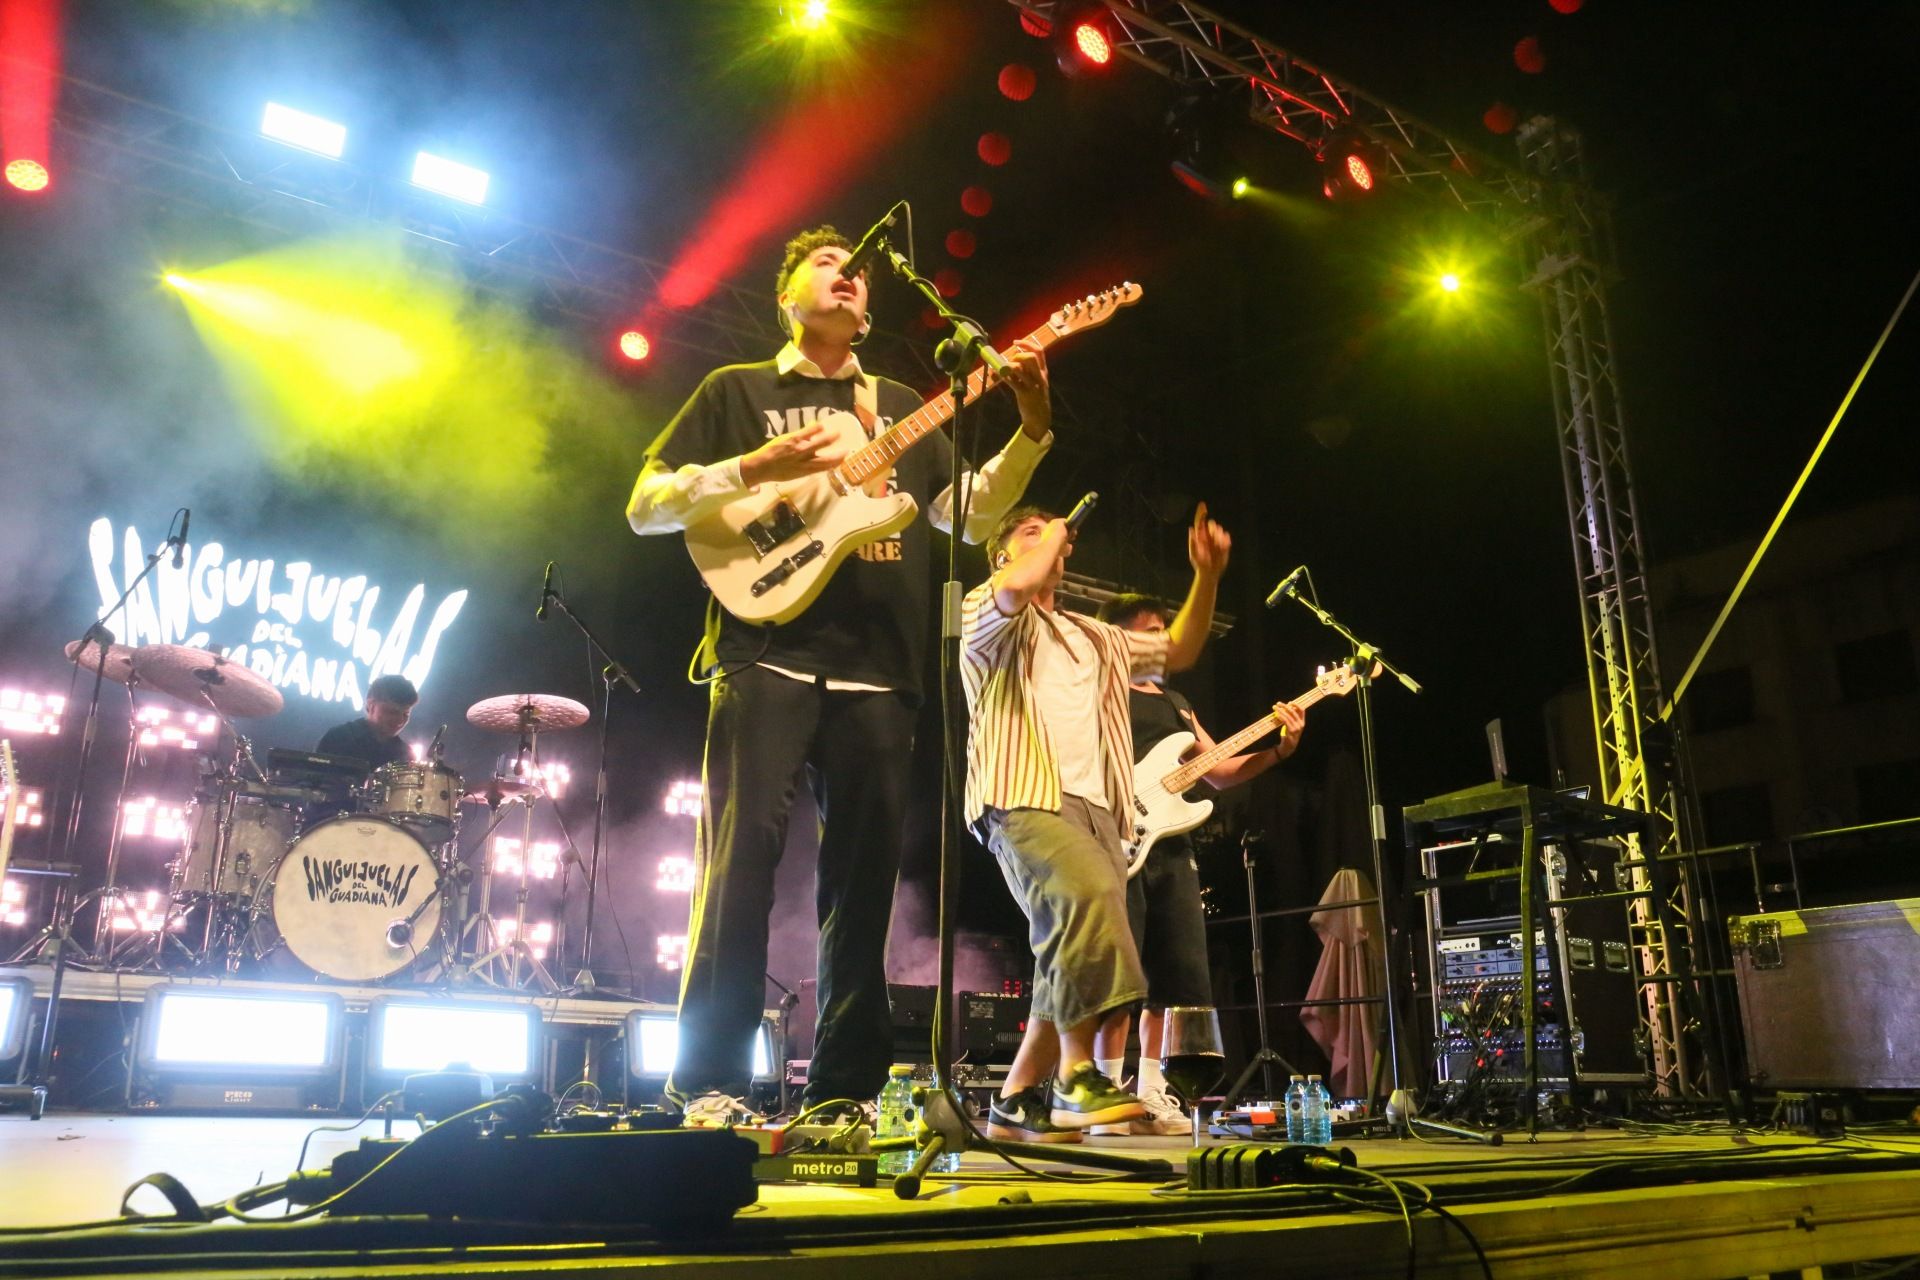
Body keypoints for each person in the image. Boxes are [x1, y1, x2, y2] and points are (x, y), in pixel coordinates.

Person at [625, 225, 1054, 1126]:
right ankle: (706, 1083)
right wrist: (752, 466)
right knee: (738, 865)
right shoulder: (736, 389)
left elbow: (971, 521)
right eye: (827, 264)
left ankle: (843, 1095)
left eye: (858, 272)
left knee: (861, 889)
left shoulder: (896, 404)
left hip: (879, 670)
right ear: (787, 296)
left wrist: (1033, 427)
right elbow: (646, 506)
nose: (849, 276)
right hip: (764, 650)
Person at [961, 502, 1229, 1139]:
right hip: (1023, 791)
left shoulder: (1095, 635)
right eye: (1028, 534)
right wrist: (1051, 534)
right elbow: (1019, 585)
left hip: (1102, 807)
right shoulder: (984, 605)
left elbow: (1179, 649)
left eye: (1053, 535)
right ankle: (1077, 1076)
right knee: (1091, 897)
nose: (1052, 543)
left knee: (1068, 945)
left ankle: (1017, 1097)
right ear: (1002, 553)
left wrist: (1207, 576)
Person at [1088, 593, 1306, 1134]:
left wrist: (1279, 748)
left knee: (1173, 975)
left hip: (1171, 845)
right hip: (1115, 838)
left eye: (1164, 628)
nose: (1161, 638)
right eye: (1149, 629)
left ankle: (1152, 1094)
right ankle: (1104, 1094)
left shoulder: (1177, 701)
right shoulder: (1097, 688)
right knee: (1120, 976)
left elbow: (1219, 771)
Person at [315, 674, 418, 777]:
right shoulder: (337, 738)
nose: (400, 720)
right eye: (392, 712)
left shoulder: (406, 755)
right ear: (371, 705)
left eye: (406, 714)